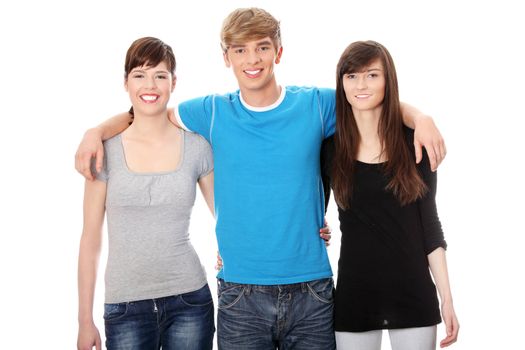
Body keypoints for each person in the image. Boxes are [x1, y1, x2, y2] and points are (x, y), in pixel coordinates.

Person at [75, 9, 446, 350]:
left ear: (278, 52)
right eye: (239, 50)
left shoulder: (315, 105)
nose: (251, 60)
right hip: (241, 296)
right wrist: (96, 131)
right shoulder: (212, 111)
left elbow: (368, 96)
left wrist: (419, 116)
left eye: (262, 48)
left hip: (312, 292)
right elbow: (148, 108)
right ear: (226, 58)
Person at [77, 37, 215, 350]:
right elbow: (90, 240)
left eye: (160, 75)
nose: (149, 85)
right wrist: (85, 320)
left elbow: (228, 216)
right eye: (139, 75)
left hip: (190, 300)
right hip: (125, 307)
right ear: (125, 82)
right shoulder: (103, 151)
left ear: (173, 82)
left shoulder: (197, 147)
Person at [321, 40, 459, 350]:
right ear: (341, 82)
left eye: (372, 75)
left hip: (412, 292)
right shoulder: (330, 148)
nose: (361, 85)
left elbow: (430, 226)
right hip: (355, 293)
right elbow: (310, 206)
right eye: (351, 76)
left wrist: (447, 299)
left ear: (388, 81)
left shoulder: (416, 143)